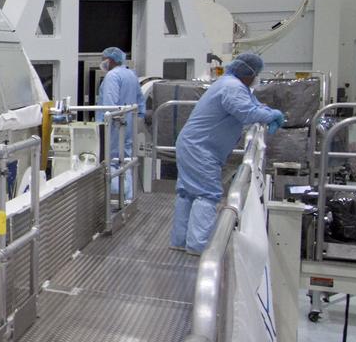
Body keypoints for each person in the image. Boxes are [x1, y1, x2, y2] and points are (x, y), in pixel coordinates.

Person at [171, 52, 285, 254]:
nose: (256, 78)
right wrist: (272, 116)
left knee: (188, 193)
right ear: (249, 73)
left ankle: (180, 240)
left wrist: (266, 112)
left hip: (194, 144)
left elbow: (253, 104)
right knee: (207, 193)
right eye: (256, 74)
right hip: (200, 148)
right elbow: (247, 112)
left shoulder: (231, 84)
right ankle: (198, 245)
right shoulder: (232, 87)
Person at [96, 47, 145, 198]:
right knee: (126, 160)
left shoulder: (112, 76)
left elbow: (109, 103)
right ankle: (128, 197)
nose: (102, 63)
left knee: (112, 160)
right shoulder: (131, 74)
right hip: (129, 124)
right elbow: (140, 100)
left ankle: (116, 197)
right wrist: (137, 117)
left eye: (103, 59)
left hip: (114, 126)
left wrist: (109, 120)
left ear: (109, 60)